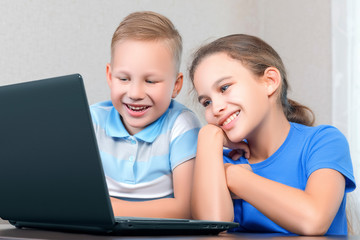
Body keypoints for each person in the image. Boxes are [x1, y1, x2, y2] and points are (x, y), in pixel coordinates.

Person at [189, 34, 356, 235]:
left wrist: (236, 178)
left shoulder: (323, 142)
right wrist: (209, 136)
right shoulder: (220, 161)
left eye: (224, 88)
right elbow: (212, 226)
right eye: (206, 102)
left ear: (269, 81)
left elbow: (313, 220)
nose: (215, 108)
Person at [90, 11, 201, 218]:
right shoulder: (92, 121)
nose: (135, 94)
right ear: (109, 75)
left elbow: (187, 208)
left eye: (150, 81)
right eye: (123, 78)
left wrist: (109, 209)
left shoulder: (182, 125)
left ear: (176, 85)